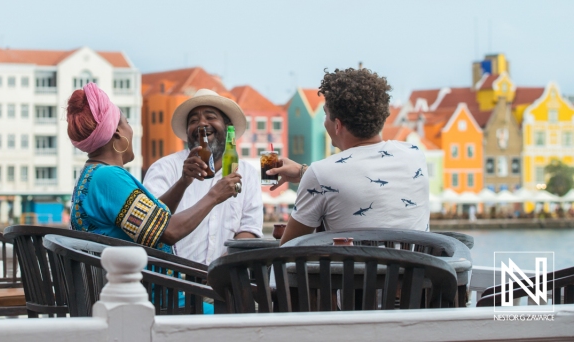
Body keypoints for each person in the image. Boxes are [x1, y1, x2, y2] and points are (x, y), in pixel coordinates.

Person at [67, 83, 242, 252]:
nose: (131, 129)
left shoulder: (93, 174)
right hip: (145, 281)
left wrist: (183, 182)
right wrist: (214, 196)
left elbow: (154, 219)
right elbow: (168, 231)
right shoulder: (108, 178)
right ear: (117, 134)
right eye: (127, 122)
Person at [268, 68, 430, 245]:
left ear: (337, 125)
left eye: (325, 114)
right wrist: (304, 172)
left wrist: (309, 174)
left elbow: (288, 249)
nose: (324, 121)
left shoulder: (320, 174)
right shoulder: (415, 154)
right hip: (416, 272)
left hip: (352, 273)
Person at [143, 89, 263, 264]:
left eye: (210, 117)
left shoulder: (247, 174)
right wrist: (184, 183)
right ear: (187, 132)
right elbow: (151, 225)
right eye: (193, 120)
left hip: (224, 281)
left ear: (228, 128)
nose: (202, 124)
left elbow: (249, 230)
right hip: (173, 281)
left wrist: (220, 268)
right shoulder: (165, 168)